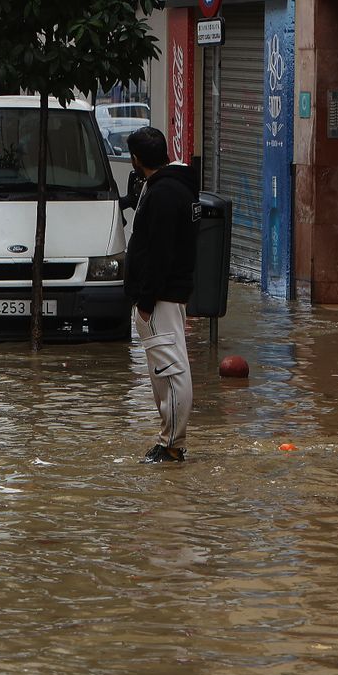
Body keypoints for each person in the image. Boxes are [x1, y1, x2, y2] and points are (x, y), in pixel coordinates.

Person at [122, 126, 199, 464]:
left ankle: (171, 444)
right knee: (166, 368)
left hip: (161, 297)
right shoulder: (171, 185)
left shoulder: (165, 192)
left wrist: (146, 300)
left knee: (170, 370)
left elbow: (159, 253)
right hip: (167, 294)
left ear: (136, 159)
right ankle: (170, 440)